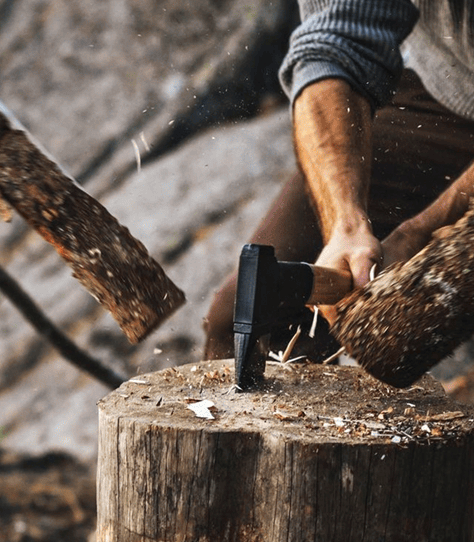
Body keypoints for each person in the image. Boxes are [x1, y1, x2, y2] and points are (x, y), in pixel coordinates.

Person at [203, 0, 474, 361]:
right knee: (245, 321)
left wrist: (425, 230)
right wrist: (344, 225)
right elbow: (331, 44)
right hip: (449, 91)